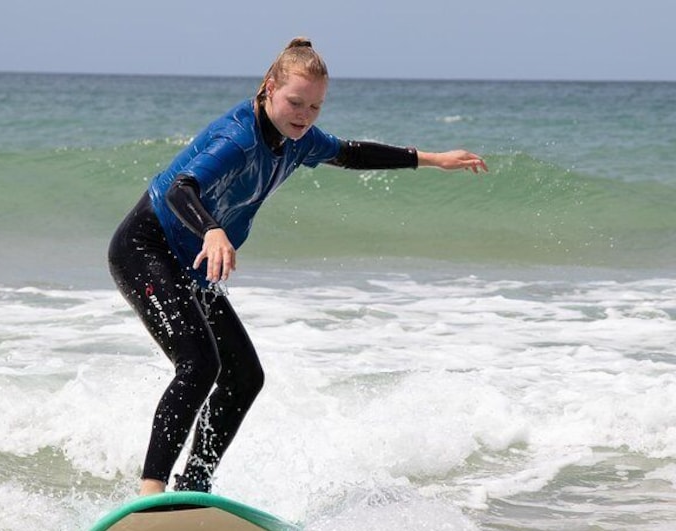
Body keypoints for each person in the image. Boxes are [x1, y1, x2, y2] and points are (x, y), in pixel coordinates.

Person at [108, 37, 487, 497]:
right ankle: (150, 491)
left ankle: (194, 489)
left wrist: (430, 159)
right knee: (198, 364)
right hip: (146, 248)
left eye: (314, 106)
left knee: (245, 376)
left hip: (191, 261)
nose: (304, 114)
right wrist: (211, 230)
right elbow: (180, 189)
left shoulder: (298, 141)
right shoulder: (238, 137)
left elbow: (350, 153)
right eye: (295, 101)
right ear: (269, 88)